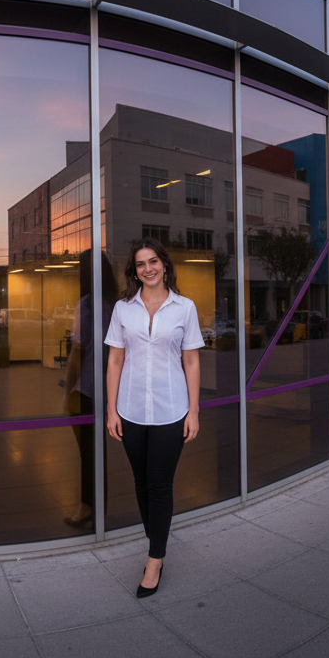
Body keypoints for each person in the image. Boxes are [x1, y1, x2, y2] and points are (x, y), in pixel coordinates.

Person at [104, 237, 203, 598]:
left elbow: (191, 360)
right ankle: (156, 538)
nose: (148, 269)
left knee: (159, 484)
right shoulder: (123, 309)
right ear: (134, 271)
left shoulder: (184, 308)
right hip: (130, 410)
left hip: (170, 410)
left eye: (153, 261)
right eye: (141, 264)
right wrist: (111, 409)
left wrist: (194, 411)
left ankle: (154, 559)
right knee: (141, 481)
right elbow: (115, 360)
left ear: (164, 264)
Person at [62, 249, 117, 529]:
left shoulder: (85, 305)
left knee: (88, 451)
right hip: (112, 390)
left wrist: (67, 392)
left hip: (87, 389)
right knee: (99, 450)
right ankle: (99, 509)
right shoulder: (117, 305)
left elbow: (76, 353)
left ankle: (87, 507)